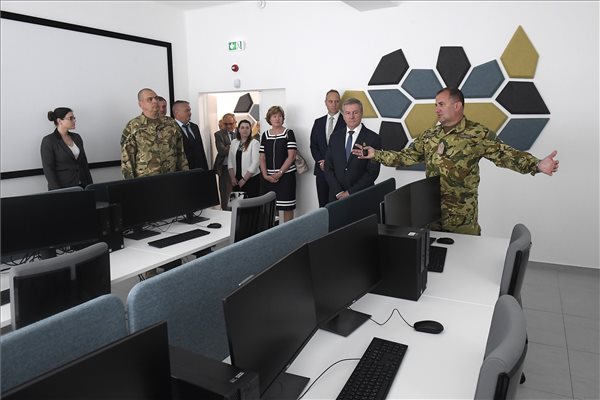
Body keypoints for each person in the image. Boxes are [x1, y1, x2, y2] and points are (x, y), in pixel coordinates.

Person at [354, 87, 560, 235]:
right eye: (436, 105)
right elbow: (407, 157)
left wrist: (537, 164)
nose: (437, 109)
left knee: (466, 263)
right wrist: (376, 154)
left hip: (462, 219)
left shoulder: (477, 133)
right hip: (431, 215)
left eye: (441, 104)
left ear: (457, 106)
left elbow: (505, 155)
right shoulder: (430, 135)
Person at [121, 88, 188, 179]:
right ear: (140, 104)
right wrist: (131, 185)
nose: (155, 101)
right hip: (146, 182)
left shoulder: (171, 123)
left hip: (171, 179)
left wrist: (185, 178)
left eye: (156, 98)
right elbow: (127, 161)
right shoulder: (133, 127)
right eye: (150, 99)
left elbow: (181, 154)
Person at [324, 98, 381, 202]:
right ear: (343, 115)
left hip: (362, 196)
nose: (351, 116)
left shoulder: (373, 138)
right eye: (348, 113)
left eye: (355, 112)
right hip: (336, 197)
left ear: (361, 113)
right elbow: (328, 167)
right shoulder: (335, 137)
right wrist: (338, 192)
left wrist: (350, 193)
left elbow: (372, 172)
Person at [259, 106, 297, 222]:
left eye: (280, 116)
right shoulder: (265, 135)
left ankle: (288, 232)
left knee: (287, 207)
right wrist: (265, 175)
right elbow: (262, 157)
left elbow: (291, 156)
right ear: (269, 119)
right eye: (274, 116)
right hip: (268, 178)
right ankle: (273, 232)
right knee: (270, 208)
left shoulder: (288, 133)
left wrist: (280, 173)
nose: (277, 118)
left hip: (286, 177)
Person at [41, 107, 93, 190]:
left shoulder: (77, 137)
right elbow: (49, 170)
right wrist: (58, 192)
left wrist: (90, 186)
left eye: (74, 118)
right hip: (63, 188)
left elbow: (84, 163)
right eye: (70, 118)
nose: (74, 120)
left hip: (83, 185)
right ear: (59, 121)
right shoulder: (49, 141)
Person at [310, 89, 347, 207]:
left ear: (340, 103)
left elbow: (346, 147)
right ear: (325, 102)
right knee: (322, 206)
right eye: (330, 101)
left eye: (336, 101)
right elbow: (313, 146)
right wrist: (321, 162)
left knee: (338, 206)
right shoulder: (318, 122)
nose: (334, 104)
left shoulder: (346, 122)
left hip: (339, 173)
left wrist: (330, 163)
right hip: (321, 171)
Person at [172, 100, 209, 171]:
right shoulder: (171, 129)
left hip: (199, 170)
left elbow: (201, 150)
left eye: (190, 110)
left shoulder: (194, 127)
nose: (190, 113)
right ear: (177, 112)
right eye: (187, 111)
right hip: (183, 172)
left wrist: (205, 170)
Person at [228, 119, 260, 198]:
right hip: (236, 180)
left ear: (250, 130)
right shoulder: (234, 142)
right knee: (236, 203)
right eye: (242, 127)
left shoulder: (255, 143)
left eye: (247, 128)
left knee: (250, 204)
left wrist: (244, 179)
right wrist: (232, 178)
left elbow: (255, 163)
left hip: (250, 179)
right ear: (238, 130)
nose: (245, 130)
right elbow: (230, 161)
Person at [214, 113, 236, 210]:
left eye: (231, 124)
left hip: (238, 168)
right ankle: (226, 215)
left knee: (237, 195)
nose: (228, 126)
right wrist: (233, 145)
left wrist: (228, 146)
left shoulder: (240, 133)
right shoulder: (219, 134)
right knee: (226, 196)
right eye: (226, 124)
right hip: (225, 169)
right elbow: (222, 151)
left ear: (235, 123)